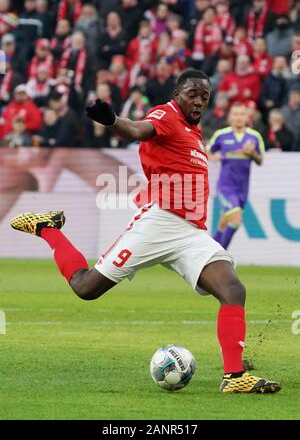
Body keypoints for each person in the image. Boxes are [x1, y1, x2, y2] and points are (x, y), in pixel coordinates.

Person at [11, 69, 280, 394]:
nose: (198, 101)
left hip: (190, 232)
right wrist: (111, 121)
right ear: (177, 93)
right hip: (159, 222)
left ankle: (235, 378)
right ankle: (48, 229)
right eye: (192, 94)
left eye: (204, 97)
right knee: (85, 288)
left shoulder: (195, 131)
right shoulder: (166, 115)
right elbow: (137, 129)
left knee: (233, 290)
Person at [207, 103, 265, 250]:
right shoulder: (221, 135)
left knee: (223, 224)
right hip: (225, 186)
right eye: (235, 114)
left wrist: (252, 153)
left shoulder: (254, 136)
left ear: (247, 117)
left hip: (242, 189)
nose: (239, 117)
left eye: (242, 114)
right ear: (230, 117)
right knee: (236, 219)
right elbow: (207, 150)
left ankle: (209, 253)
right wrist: (212, 156)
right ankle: (220, 255)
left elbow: (260, 160)